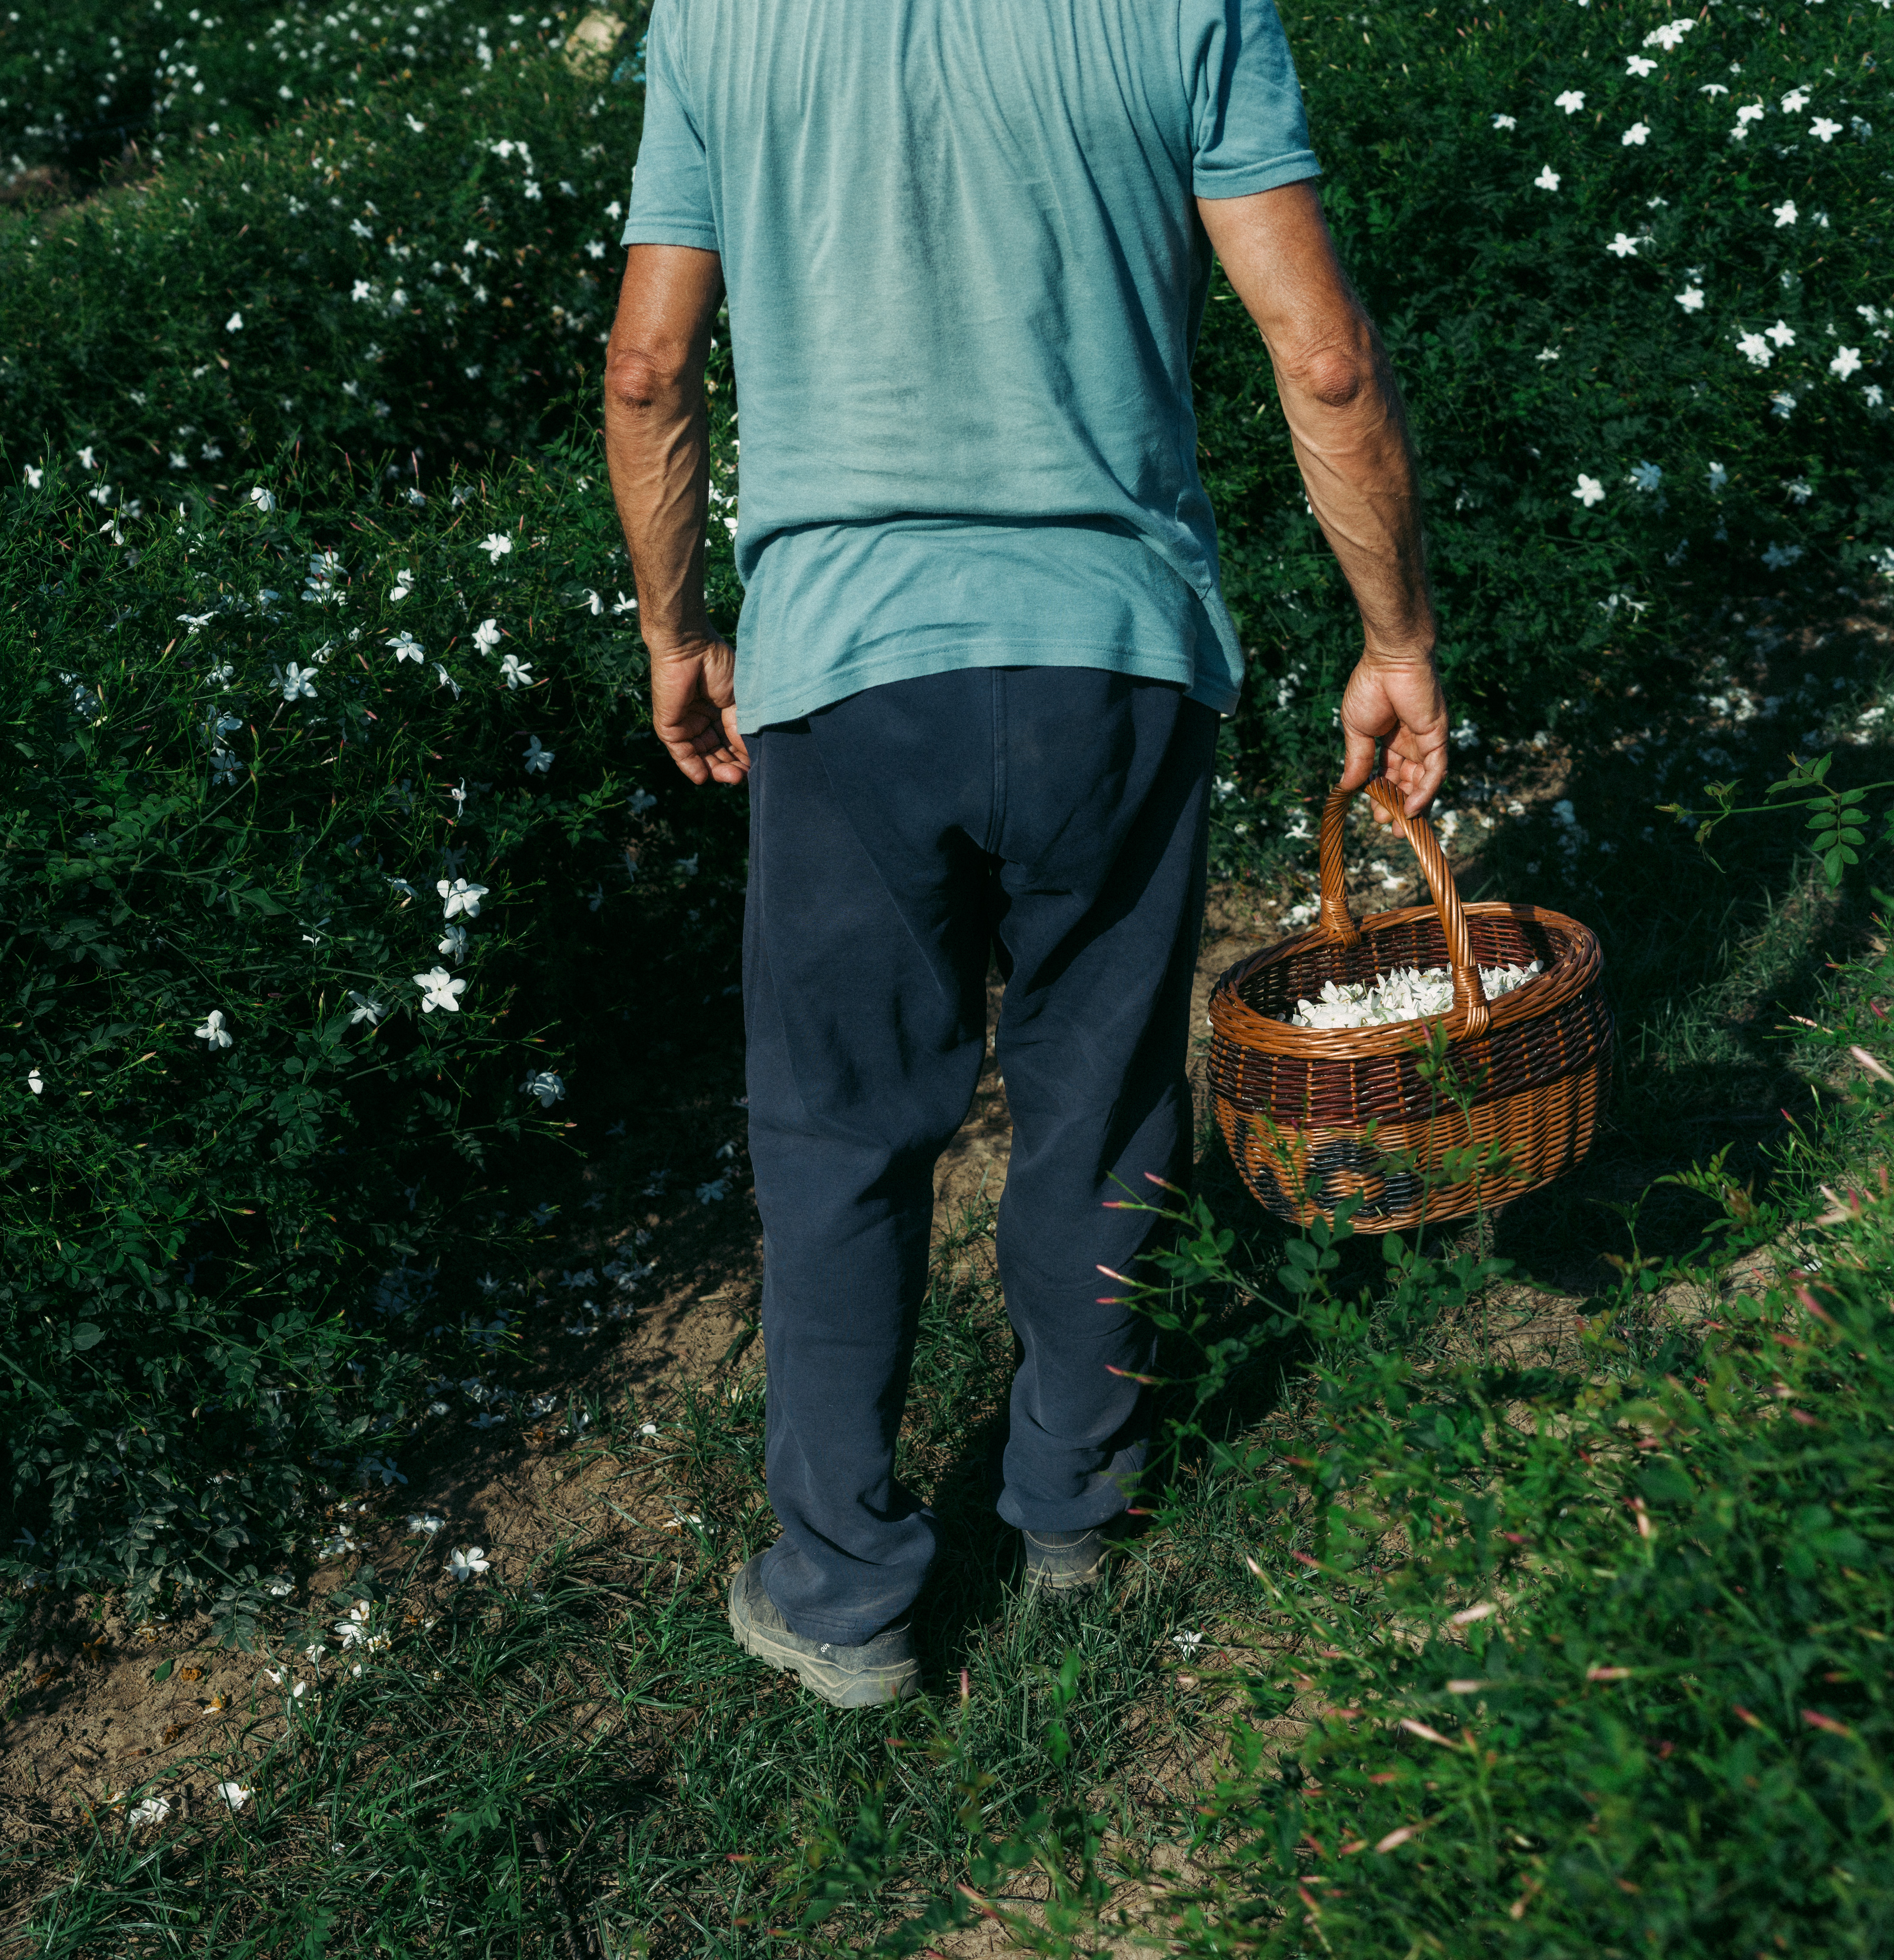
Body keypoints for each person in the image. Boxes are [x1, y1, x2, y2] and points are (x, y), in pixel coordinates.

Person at [602, 0, 1449, 1708]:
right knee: (1102, 1087)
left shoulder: (716, 19)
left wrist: (676, 628)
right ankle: (1078, 1504)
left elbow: (647, 365)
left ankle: (843, 1591)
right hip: (1110, 653)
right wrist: (1398, 637)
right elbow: (1327, 353)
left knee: (840, 1124)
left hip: (844, 669)